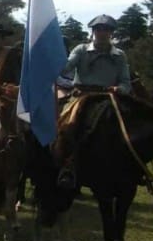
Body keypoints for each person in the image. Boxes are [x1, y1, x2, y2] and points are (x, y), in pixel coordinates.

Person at [53, 14, 132, 189]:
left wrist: (120, 89)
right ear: (93, 32)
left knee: (127, 127)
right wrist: (52, 58)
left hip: (108, 97)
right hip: (82, 95)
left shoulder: (119, 55)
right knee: (69, 124)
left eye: (106, 30)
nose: (102, 33)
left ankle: (130, 168)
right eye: (98, 29)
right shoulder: (81, 50)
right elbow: (66, 67)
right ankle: (67, 166)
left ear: (111, 33)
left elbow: (126, 82)